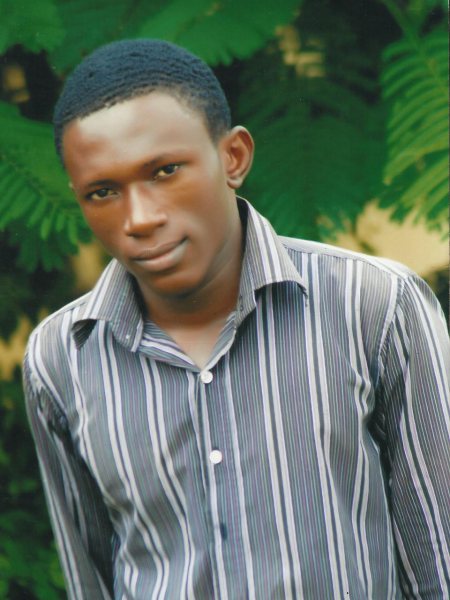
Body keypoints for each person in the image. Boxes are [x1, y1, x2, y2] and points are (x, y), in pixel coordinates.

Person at [23, 39, 449, 600]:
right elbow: (91, 575)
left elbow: (439, 562)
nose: (139, 218)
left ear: (234, 157)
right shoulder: (60, 358)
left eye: (165, 171)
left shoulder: (374, 305)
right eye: (102, 192)